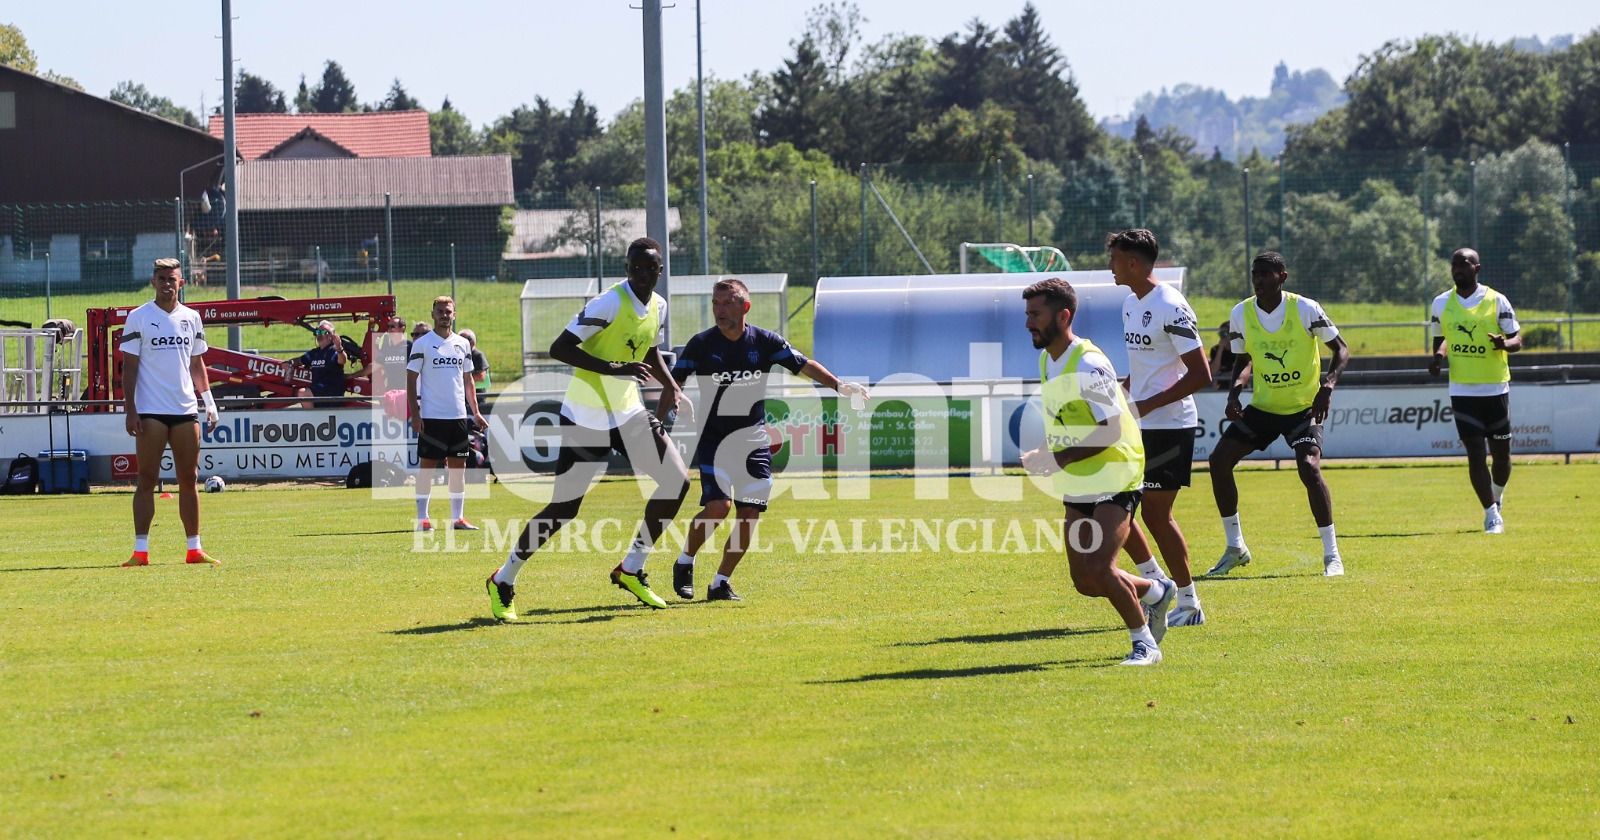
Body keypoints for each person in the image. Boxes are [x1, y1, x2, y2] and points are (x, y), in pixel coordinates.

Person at [485, 238, 690, 622]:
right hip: (585, 416)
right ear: (626, 267)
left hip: (628, 413)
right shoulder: (608, 302)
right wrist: (613, 368)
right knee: (564, 509)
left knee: (676, 481)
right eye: (636, 267)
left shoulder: (659, 306)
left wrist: (671, 385)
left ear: (660, 271)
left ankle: (631, 567)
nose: (642, 274)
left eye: (650, 268)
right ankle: (503, 578)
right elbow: (559, 348)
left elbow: (647, 350)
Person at [668, 278, 868, 601]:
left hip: (754, 442)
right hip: (714, 441)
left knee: (749, 515)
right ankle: (685, 561)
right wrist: (678, 400)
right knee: (719, 506)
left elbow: (804, 365)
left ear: (745, 306)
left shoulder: (764, 341)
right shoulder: (701, 344)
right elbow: (673, 381)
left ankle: (720, 582)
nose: (719, 310)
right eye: (716, 304)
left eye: (727, 303)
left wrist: (840, 386)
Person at [1018, 278, 1173, 666]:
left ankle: (1145, 645)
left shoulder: (1089, 362)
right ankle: (1156, 592)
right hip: (1081, 476)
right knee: (1085, 582)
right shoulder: (1046, 361)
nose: (1028, 324)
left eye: (1035, 315)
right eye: (1027, 315)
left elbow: (1111, 429)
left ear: (1063, 315)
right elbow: (1068, 422)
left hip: (1117, 471)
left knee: (1102, 568)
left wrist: (1059, 459)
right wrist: (1046, 451)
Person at [1206, 252, 1351, 578]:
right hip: (1265, 407)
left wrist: (1327, 386)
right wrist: (1234, 392)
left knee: (1309, 467)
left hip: (1303, 408)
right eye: (1255, 273)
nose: (1258, 279)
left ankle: (1332, 555)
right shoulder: (1240, 313)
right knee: (1218, 461)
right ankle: (1235, 547)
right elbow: (1244, 362)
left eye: (1265, 274)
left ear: (1282, 277)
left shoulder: (1304, 308)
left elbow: (1341, 349)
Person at [1109, 230, 1213, 626]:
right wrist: (1119, 397)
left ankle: (1189, 603)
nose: (1111, 266)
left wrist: (1147, 405)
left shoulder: (1171, 304)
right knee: (1115, 506)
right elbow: (1144, 369)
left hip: (1170, 426)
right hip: (1139, 424)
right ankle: (1157, 585)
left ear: (1134, 262)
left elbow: (1201, 373)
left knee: (1155, 514)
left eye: (1115, 259)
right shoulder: (1130, 304)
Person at [120, 258, 221, 567]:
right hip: (150, 412)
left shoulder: (192, 318)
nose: (166, 283)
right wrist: (130, 409)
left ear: (182, 283)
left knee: (189, 479)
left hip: (185, 410)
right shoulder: (138, 317)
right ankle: (140, 552)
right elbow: (129, 368)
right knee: (147, 479)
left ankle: (194, 549)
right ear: (153, 282)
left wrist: (209, 400)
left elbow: (196, 363)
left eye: (172, 278)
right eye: (161, 278)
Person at [1429, 248, 1521, 534]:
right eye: (1454, 264)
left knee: (1502, 458)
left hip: (1495, 388)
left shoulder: (1497, 300)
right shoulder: (1441, 303)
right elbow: (1441, 340)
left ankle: (1497, 495)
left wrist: (1503, 344)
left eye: (1464, 264)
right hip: (1463, 390)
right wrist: (1439, 357)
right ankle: (1491, 514)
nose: (1458, 268)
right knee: (1475, 455)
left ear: (1477, 268)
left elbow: (1517, 338)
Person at [407, 296, 488, 532]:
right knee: (427, 469)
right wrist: (415, 413)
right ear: (433, 314)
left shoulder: (462, 344)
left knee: (457, 469)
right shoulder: (422, 344)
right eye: (440, 311)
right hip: (432, 417)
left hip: (458, 418)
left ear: (454, 314)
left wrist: (476, 412)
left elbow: (468, 380)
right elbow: (411, 379)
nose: (444, 315)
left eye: (448, 311)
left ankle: (458, 518)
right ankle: (423, 518)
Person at [293, 320, 353, 406]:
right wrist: (290, 363)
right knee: (302, 393)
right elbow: (299, 360)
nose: (320, 334)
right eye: (318, 332)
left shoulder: (335, 350)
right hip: (317, 394)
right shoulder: (314, 353)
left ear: (332, 335)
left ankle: (313, 419)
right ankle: (314, 418)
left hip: (332, 394)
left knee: (303, 393)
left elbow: (342, 360)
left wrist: (339, 348)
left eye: (324, 332)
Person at [459, 328, 490, 398]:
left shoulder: (477, 355)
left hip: (477, 395)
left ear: (472, 342)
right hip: (462, 394)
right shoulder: (459, 356)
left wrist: (460, 379)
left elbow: (481, 376)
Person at [1208, 321, 1237, 389]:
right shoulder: (1215, 349)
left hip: (1236, 384)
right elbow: (1213, 371)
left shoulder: (1239, 349)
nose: (1224, 338)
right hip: (1221, 384)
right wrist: (1220, 349)